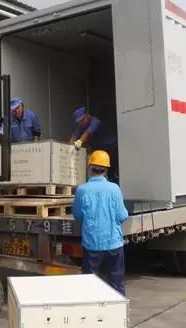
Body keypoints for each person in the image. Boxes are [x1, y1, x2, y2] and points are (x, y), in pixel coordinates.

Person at [73, 150, 128, 296]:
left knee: (91, 285)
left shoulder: (82, 190)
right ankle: (118, 308)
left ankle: (93, 308)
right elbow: (123, 215)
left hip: (92, 244)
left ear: (90, 168)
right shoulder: (115, 189)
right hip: (113, 244)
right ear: (106, 169)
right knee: (116, 283)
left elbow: (77, 215)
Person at [70, 106, 119, 182]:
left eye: (82, 120)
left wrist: (79, 142)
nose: (81, 123)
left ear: (87, 115)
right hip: (99, 149)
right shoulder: (82, 126)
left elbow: (87, 134)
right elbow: (74, 136)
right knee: (98, 168)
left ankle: (113, 182)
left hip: (111, 147)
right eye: (79, 121)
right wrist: (69, 147)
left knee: (112, 170)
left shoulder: (95, 121)